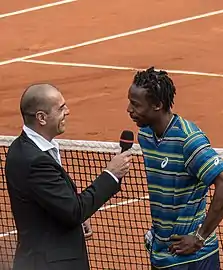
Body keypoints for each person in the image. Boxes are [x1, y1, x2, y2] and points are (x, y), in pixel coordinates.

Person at [5, 83, 132, 270]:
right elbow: (74, 211)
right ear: (41, 118)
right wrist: (111, 174)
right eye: (61, 108)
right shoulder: (35, 160)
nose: (68, 111)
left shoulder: (24, 148)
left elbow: (56, 204)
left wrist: (75, 213)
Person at [127, 67, 223, 270]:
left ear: (158, 105)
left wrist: (199, 237)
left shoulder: (188, 140)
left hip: (194, 258)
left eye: (135, 105)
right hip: (163, 254)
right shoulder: (145, 136)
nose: (129, 110)